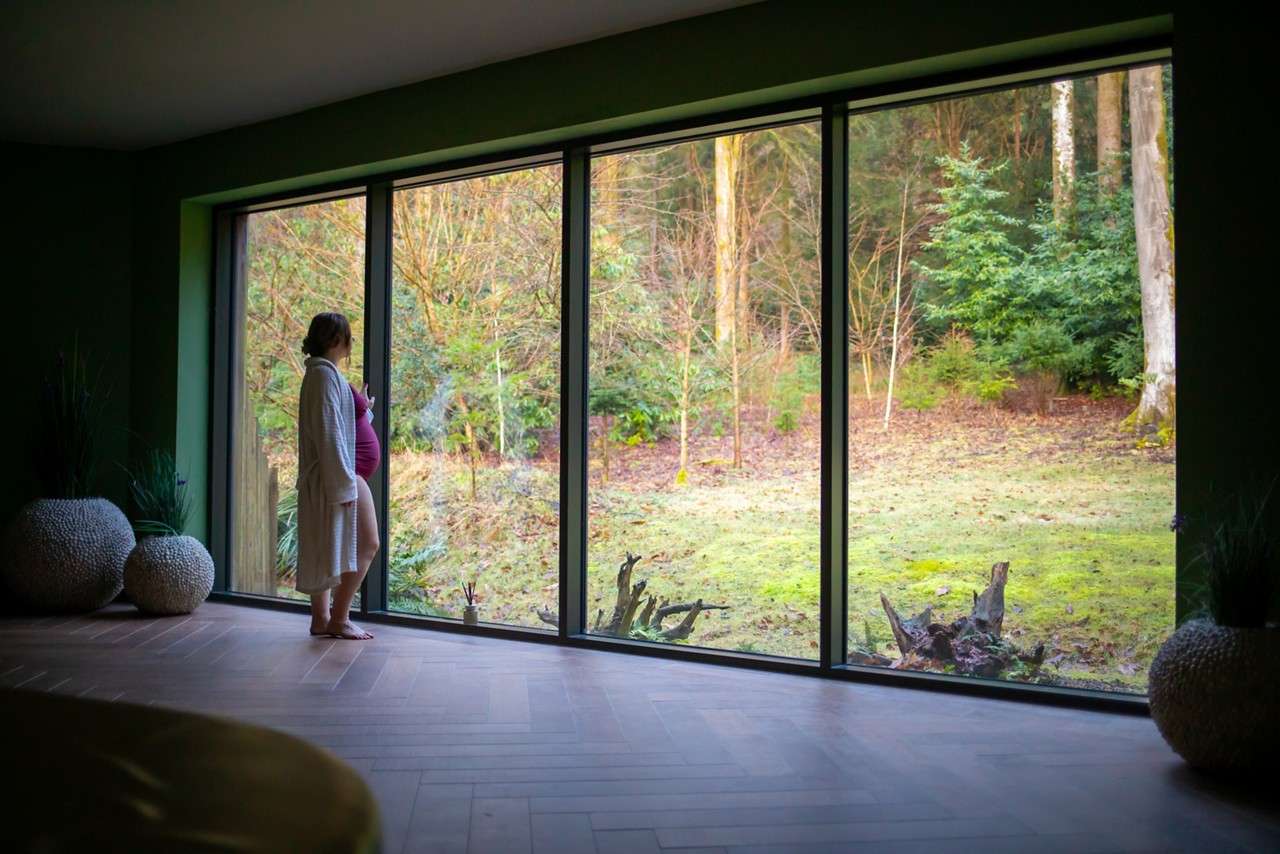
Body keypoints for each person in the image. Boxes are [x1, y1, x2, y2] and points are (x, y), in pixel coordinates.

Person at [295, 312, 378, 640]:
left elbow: (338, 424)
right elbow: (329, 435)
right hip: (344, 475)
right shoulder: (323, 377)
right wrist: (341, 486)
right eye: (347, 336)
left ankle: (322, 619)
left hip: (340, 474)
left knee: (325, 547)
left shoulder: (322, 375)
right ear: (334, 340)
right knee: (369, 542)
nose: (350, 343)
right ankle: (339, 619)